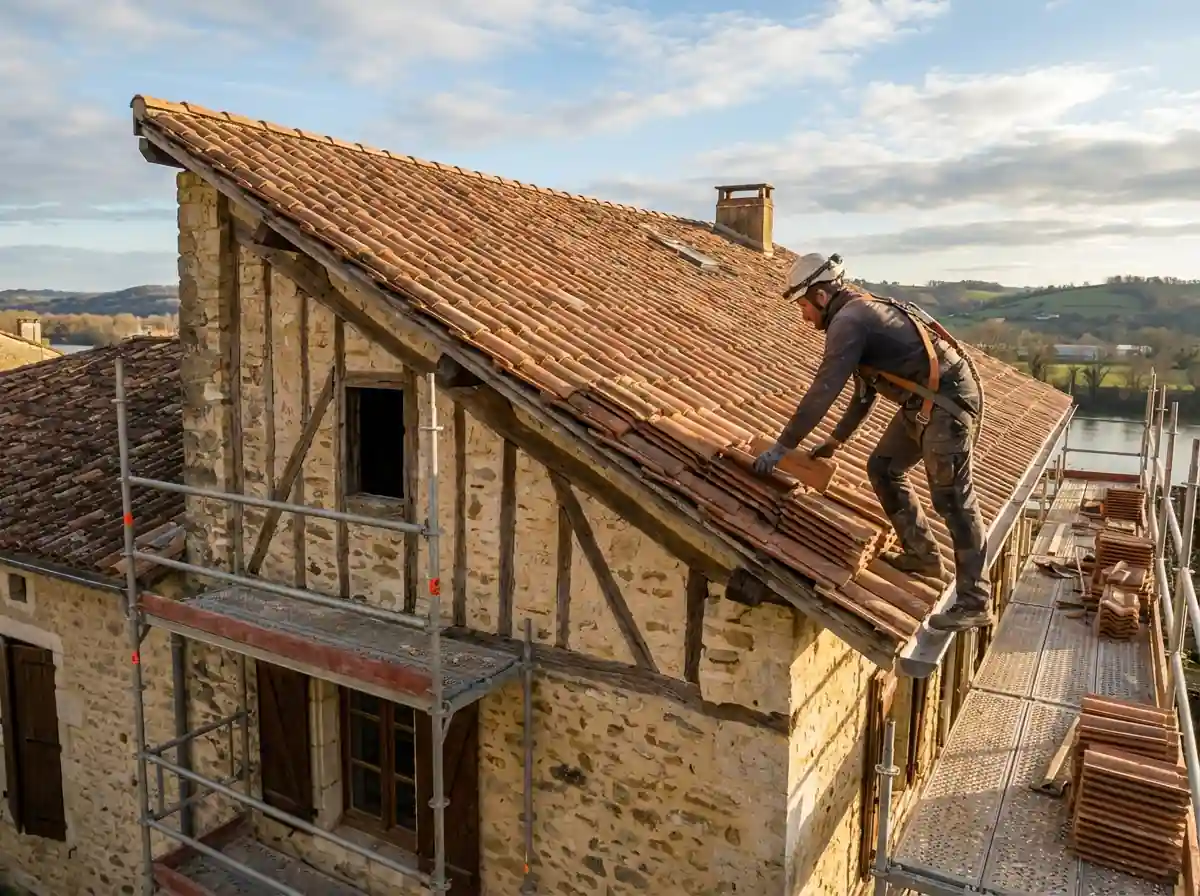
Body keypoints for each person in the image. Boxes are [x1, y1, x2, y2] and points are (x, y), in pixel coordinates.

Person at [751, 253, 990, 632]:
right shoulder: (858, 315)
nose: (804, 317)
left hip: (947, 402)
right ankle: (923, 556)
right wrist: (835, 441)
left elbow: (824, 388)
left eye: (803, 306)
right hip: (924, 403)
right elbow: (864, 394)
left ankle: (975, 601)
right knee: (883, 467)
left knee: (953, 498)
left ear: (821, 296)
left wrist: (782, 446)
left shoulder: (849, 321)